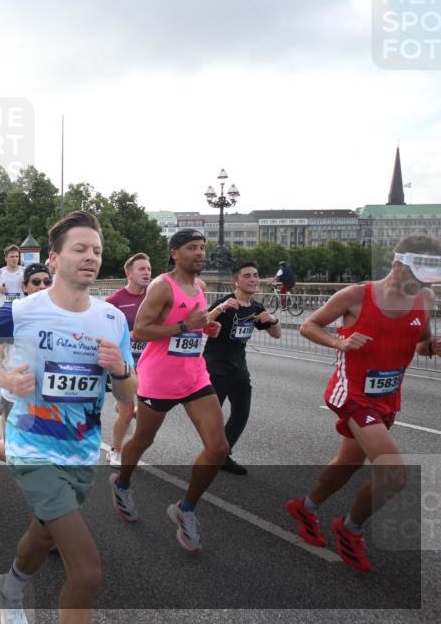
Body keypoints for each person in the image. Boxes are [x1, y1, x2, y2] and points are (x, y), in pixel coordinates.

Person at [0, 211, 135, 624]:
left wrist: (120, 371)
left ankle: (9, 586)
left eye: (96, 250)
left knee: (42, 535)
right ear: (54, 259)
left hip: (80, 451)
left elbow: (130, 398)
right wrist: (3, 377)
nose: (91, 257)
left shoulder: (112, 320)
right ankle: (12, 589)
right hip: (31, 449)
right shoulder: (22, 311)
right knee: (88, 571)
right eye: (80, 249)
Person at [285, 235, 440, 572]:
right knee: (394, 475)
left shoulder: (425, 298)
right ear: (398, 263)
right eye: (416, 275)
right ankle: (350, 528)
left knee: (349, 461)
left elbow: (422, 343)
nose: (420, 284)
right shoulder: (357, 294)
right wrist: (338, 341)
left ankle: (305, 507)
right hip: (352, 392)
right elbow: (308, 325)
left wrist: (433, 347)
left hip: (387, 396)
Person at [110, 228, 225, 554]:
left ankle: (185, 508)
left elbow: (192, 326)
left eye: (202, 247)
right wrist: (187, 326)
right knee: (144, 440)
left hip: (195, 377)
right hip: (159, 379)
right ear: (175, 253)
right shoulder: (163, 286)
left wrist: (205, 327)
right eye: (192, 248)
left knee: (218, 448)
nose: (200, 253)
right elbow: (141, 331)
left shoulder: (198, 286)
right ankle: (122, 483)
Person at [204, 261, 282, 475]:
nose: (253, 279)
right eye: (247, 276)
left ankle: (222, 455)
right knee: (212, 418)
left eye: (255, 275)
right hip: (215, 367)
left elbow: (276, 334)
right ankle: (212, 453)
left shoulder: (256, 308)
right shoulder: (225, 303)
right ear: (235, 281)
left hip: (239, 368)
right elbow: (202, 324)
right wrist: (220, 309)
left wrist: (273, 320)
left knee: (241, 413)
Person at [0, 262, 53, 473]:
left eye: (47, 282)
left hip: (48, 397)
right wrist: (1, 371)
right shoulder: (15, 313)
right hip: (14, 396)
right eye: (36, 282)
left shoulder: (60, 315)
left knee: (44, 455)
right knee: (16, 456)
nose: (42, 286)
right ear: (25, 286)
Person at [104, 252, 152, 468]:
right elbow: (105, 333)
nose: (147, 273)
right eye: (142, 269)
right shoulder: (115, 301)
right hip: (125, 364)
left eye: (149, 269)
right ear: (129, 273)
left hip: (150, 363)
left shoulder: (154, 296)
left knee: (148, 410)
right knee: (126, 412)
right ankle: (115, 450)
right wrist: (133, 335)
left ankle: (127, 409)